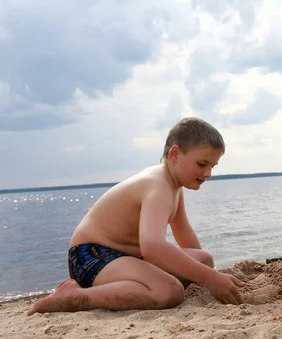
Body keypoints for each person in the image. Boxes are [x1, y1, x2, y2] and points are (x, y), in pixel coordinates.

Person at [28, 117, 245, 315]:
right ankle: (74, 296)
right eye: (202, 164)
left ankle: (135, 285)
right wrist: (210, 278)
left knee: (204, 259)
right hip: (92, 256)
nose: (208, 174)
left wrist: (210, 275)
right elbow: (151, 245)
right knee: (169, 291)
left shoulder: (174, 187)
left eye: (212, 167)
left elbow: (184, 233)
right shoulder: (157, 186)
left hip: (127, 257)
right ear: (175, 154)